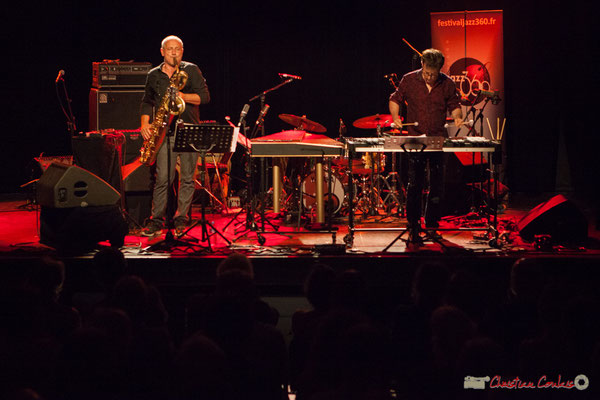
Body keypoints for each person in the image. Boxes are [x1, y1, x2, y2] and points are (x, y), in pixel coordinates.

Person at [389, 48, 463, 243]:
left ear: (439, 69)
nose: (430, 77)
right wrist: (396, 117)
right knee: (415, 183)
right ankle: (413, 224)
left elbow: (455, 104)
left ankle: (431, 222)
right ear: (422, 65)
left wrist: (457, 118)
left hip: (437, 138)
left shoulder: (446, 83)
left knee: (437, 183)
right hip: (415, 139)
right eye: (427, 72)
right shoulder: (409, 80)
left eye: (434, 73)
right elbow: (395, 99)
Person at [140, 35, 211, 236]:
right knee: (163, 178)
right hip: (164, 131)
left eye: (177, 49)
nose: (173, 53)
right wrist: (145, 124)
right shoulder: (154, 75)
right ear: (162, 52)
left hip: (188, 130)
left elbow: (204, 98)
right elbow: (147, 101)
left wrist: (182, 96)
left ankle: (182, 220)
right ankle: (156, 222)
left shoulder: (191, 70)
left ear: (182, 51)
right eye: (169, 49)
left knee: (188, 179)